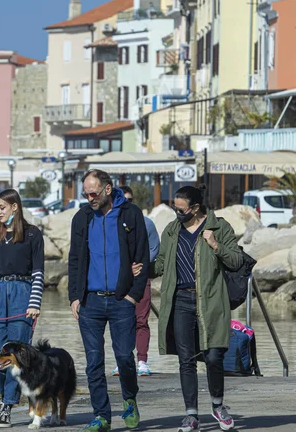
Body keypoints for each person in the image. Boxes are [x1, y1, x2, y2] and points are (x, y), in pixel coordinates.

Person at [150, 186, 242, 432]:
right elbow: (161, 263)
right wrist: (142, 269)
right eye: (175, 208)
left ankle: (217, 405)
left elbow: (236, 261)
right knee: (186, 360)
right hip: (180, 301)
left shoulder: (220, 228)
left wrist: (215, 245)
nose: (177, 213)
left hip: (210, 301)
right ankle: (191, 415)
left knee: (213, 357)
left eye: (180, 209)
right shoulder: (172, 230)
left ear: (195, 208)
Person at [67, 170, 149, 432]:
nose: (90, 198)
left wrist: (132, 295)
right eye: (86, 194)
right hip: (89, 301)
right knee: (93, 362)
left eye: (94, 193)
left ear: (108, 189)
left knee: (125, 357)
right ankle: (101, 415)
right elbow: (74, 259)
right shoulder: (81, 217)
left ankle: (129, 399)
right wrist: (74, 297)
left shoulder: (130, 214)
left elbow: (142, 256)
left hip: (121, 300)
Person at [0, 189, 45, 428]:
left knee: (16, 357)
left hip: (23, 294)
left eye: (2, 207)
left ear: (15, 207)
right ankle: (8, 394)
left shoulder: (33, 235)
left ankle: (6, 404)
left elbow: (38, 273)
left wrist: (34, 303)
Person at [112, 186, 160, 377]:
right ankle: (122, 360)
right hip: (118, 281)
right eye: (122, 200)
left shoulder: (146, 223)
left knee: (141, 320)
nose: (126, 203)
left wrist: (140, 265)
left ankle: (142, 361)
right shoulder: (110, 223)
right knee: (119, 322)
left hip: (141, 278)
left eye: (130, 200)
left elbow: (155, 248)